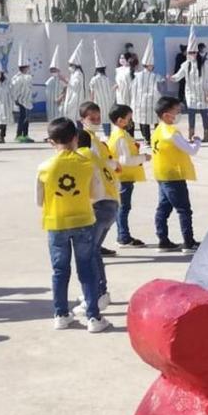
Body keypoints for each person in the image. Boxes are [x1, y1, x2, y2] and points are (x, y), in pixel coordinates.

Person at [36, 118, 109, 333]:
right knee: (87, 269)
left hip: (56, 222)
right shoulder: (87, 164)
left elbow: (39, 201)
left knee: (60, 270)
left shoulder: (44, 168)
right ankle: (93, 317)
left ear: (51, 141)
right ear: (76, 137)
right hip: (84, 220)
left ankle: (60, 314)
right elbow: (97, 194)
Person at [76, 102, 119, 309]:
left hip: (100, 203)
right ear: (82, 118)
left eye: (97, 117)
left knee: (90, 252)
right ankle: (98, 292)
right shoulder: (94, 144)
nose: (95, 121)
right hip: (110, 201)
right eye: (91, 118)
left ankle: (97, 293)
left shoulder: (87, 148)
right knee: (93, 251)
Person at [150, 97, 201, 253]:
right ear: (166, 115)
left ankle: (163, 240)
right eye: (176, 111)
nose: (178, 113)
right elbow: (191, 150)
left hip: (161, 174)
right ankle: (188, 242)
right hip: (174, 175)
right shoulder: (171, 133)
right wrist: (197, 141)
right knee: (184, 209)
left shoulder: (157, 130)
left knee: (163, 209)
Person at [107, 104, 148, 248]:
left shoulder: (118, 133)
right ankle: (123, 236)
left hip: (123, 176)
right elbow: (126, 160)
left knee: (122, 207)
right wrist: (143, 157)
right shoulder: (121, 137)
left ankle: (123, 235)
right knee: (123, 208)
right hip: (124, 176)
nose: (131, 121)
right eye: (129, 118)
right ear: (120, 120)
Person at [169, 39, 208, 142]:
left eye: (194, 52)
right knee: (191, 113)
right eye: (190, 52)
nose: (192, 54)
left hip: (203, 92)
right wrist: (171, 78)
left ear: (197, 53)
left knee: (204, 113)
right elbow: (178, 75)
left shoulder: (204, 63)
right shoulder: (186, 64)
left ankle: (206, 134)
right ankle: (191, 134)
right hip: (191, 93)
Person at [130, 41, 160, 143]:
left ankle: (147, 139)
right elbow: (161, 86)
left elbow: (133, 88)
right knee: (155, 121)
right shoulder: (156, 76)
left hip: (141, 102)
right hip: (152, 102)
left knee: (144, 121)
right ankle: (155, 138)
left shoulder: (137, 75)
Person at [89, 42, 116, 136]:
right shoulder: (107, 79)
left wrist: (91, 102)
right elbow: (111, 90)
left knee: (96, 118)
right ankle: (107, 134)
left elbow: (92, 92)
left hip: (98, 102)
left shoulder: (93, 79)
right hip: (108, 102)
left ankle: (93, 134)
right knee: (106, 119)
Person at [11, 51, 36, 143]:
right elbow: (15, 90)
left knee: (26, 118)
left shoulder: (24, 77)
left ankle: (25, 135)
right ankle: (19, 135)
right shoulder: (19, 78)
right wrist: (16, 99)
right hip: (22, 101)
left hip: (27, 101)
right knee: (23, 118)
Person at [44, 46, 66, 122]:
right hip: (50, 107)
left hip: (59, 105)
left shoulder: (61, 80)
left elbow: (66, 89)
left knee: (59, 120)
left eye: (54, 70)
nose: (53, 72)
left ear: (58, 70)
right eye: (52, 70)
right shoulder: (49, 81)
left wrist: (61, 97)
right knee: (52, 121)